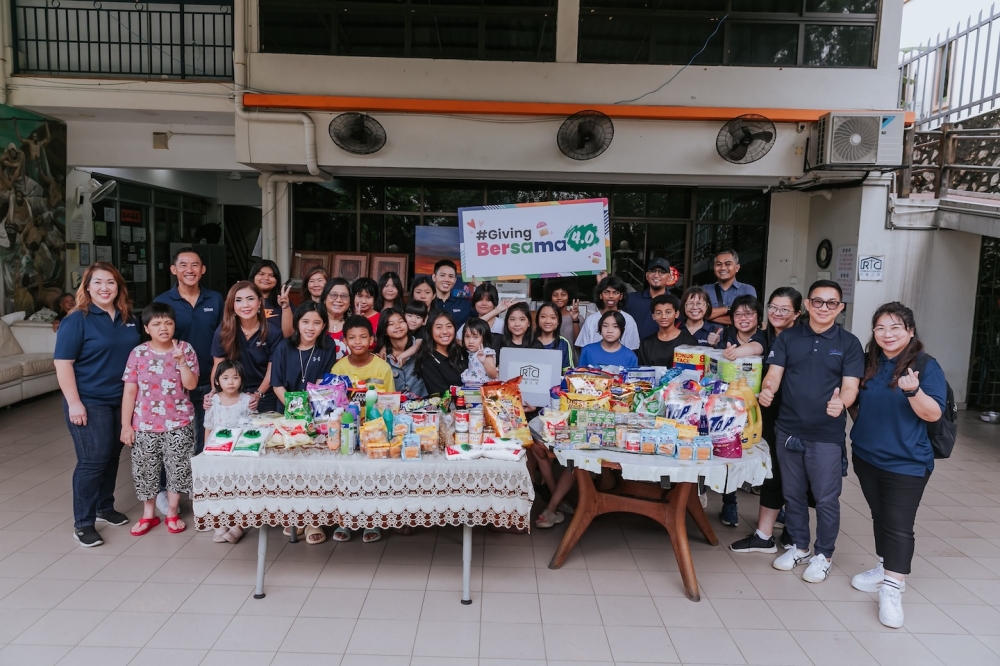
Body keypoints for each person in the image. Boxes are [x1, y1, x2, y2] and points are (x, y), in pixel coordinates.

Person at [848, 302, 947, 629]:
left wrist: (913, 391)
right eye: (880, 328)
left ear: (910, 331)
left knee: (899, 524)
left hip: (907, 462)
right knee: (880, 515)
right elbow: (856, 400)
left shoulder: (925, 366)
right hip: (866, 456)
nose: (887, 334)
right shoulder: (869, 362)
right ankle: (884, 566)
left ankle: (893, 588)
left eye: (895, 328)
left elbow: (933, 413)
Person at [759, 279, 864, 583]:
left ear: (840, 308)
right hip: (788, 429)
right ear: (807, 304)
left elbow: (851, 386)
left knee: (826, 498)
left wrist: (842, 403)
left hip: (826, 434)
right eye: (818, 301)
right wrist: (767, 390)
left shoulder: (849, 343)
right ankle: (800, 547)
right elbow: (773, 375)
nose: (824, 308)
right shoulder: (788, 338)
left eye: (831, 303)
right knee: (792, 494)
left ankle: (824, 555)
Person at [54, 262, 140, 547]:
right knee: (93, 461)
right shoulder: (77, 319)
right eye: (98, 282)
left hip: (122, 401)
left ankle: (105, 506)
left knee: (112, 456)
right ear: (87, 287)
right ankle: (83, 523)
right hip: (89, 400)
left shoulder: (129, 318)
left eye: (111, 282)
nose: (105, 288)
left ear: (119, 287)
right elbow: (63, 364)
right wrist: (74, 403)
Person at [730, 287, 802, 554]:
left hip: (798, 413)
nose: (777, 313)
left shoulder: (804, 337)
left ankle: (795, 530)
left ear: (797, 313)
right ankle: (764, 534)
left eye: (784, 309)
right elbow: (756, 346)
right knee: (774, 470)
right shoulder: (766, 334)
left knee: (796, 473)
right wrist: (738, 353)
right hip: (769, 410)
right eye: (773, 307)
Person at [120, 302, 199, 537]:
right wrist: (126, 425)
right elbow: (130, 391)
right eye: (156, 324)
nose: (163, 328)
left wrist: (181, 362)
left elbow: (191, 385)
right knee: (145, 470)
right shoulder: (138, 353)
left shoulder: (185, 349)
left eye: (168, 323)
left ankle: (172, 512)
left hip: (179, 422)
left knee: (178, 468)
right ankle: (148, 515)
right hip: (144, 423)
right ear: (147, 328)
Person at [154, 247, 223, 461]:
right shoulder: (162, 302)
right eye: (183, 265)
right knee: (174, 438)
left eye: (195, 265)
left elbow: (224, 338)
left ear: (203, 269)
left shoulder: (215, 299)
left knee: (207, 435)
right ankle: (171, 481)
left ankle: (202, 479)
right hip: (175, 382)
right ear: (173, 269)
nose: (189, 270)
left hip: (210, 379)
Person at [715, 294, 767, 528]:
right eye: (738, 314)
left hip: (757, 407)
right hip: (729, 408)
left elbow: (757, 347)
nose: (743, 318)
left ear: (758, 317)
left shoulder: (764, 336)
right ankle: (729, 503)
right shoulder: (725, 337)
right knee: (730, 452)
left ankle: (774, 509)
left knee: (762, 455)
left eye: (749, 313)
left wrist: (737, 353)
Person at [209, 281, 282, 413]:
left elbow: (272, 371)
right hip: (232, 392)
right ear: (232, 305)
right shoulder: (223, 331)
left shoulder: (273, 332)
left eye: (250, 299)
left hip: (265, 394)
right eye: (238, 300)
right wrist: (215, 393)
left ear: (259, 302)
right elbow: (218, 366)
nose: (245, 305)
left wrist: (258, 394)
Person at [204, 360, 252, 544]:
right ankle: (221, 522)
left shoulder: (247, 401)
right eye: (225, 378)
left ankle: (239, 525)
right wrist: (206, 450)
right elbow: (208, 426)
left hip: (239, 453)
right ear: (217, 381)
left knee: (240, 486)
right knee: (220, 486)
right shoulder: (213, 401)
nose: (231, 382)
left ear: (242, 380)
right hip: (218, 452)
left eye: (235, 377)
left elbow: (252, 428)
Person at [270, 301, 338, 408]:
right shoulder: (283, 347)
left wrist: (307, 408)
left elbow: (321, 381)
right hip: (287, 408)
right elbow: (277, 385)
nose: (310, 328)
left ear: (323, 326)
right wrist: (296, 408)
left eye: (317, 323)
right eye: (305, 322)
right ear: (297, 323)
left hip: (314, 406)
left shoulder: (328, 346)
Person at [331, 315, 396, 393]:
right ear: (345, 341)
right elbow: (333, 397)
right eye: (352, 337)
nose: (358, 342)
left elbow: (391, 398)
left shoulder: (383, 368)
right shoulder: (338, 369)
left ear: (371, 340)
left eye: (363, 337)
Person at [575, 275, 641, 351]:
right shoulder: (591, 320)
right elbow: (584, 348)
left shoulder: (628, 320)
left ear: (621, 296)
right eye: (607, 292)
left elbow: (632, 349)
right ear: (600, 295)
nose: (611, 296)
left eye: (615, 293)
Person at [375, 308, 427, 398]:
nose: (397, 326)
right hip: (393, 404)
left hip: (425, 403)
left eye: (401, 321)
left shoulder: (422, 346)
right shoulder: (382, 355)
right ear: (385, 331)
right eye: (391, 324)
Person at [415, 310, 468, 396]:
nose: (445, 331)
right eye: (439, 327)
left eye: (449, 326)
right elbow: (442, 395)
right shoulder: (427, 361)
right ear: (430, 330)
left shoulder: (462, 351)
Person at [625, 257, 680, 339]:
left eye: (662, 272)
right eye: (652, 271)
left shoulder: (676, 303)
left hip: (663, 347)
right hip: (632, 347)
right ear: (647, 275)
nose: (656, 275)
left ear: (669, 277)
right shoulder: (631, 299)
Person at [637, 294, 698, 366]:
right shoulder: (646, 343)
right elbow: (643, 370)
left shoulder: (689, 341)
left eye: (668, 312)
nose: (663, 316)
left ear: (676, 314)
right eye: (658, 313)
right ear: (653, 316)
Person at [704, 249, 757, 325]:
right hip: (709, 333)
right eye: (718, 264)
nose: (723, 268)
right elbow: (698, 313)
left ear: (737, 268)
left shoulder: (747, 289)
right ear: (714, 268)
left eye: (727, 264)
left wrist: (708, 316)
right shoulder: (705, 290)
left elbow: (747, 318)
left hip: (736, 333)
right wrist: (728, 309)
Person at [249, 259, 293, 338]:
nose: (266, 278)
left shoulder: (284, 303)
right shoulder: (243, 302)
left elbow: (289, 335)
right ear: (253, 277)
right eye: (261, 274)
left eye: (271, 275)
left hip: (277, 345)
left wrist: (286, 308)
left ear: (277, 280)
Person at [533, 302, 574, 371]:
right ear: (537, 319)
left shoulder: (563, 343)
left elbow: (567, 372)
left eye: (553, 317)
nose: (547, 321)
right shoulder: (529, 340)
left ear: (558, 322)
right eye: (543, 317)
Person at [431, 259, 472, 329]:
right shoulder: (427, 303)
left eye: (451, 276)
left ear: (455, 280)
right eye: (442, 275)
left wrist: (479, 286)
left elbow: (481, 320)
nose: (446, 279)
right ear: (434, 277)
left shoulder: (465, 304)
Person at [320, 277, 351, 361]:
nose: (339, 300)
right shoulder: (315, 323)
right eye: (333, 295)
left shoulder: (354, 325)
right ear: (324, 298)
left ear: (350, 302)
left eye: (344, 296)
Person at [461, 317, 499, 385]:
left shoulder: (486, 352)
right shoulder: (471, 353)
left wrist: (484, 361)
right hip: (474, 386)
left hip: (484, 387)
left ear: (484, 338)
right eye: (467, 336)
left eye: (475, 337)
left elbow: (494, 375)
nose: (470, 341)